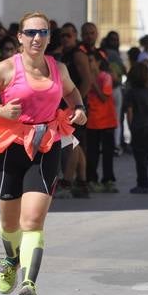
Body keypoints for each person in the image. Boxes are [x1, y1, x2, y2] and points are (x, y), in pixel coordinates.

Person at [0, 11, 87, 295]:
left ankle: (28, 285)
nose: (37, 38)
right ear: (19, 37)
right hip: (10, 147)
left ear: (49, 37)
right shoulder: (7, 68)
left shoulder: (58, 68)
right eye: (31, 32)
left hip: (46, 143)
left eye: (43, 32)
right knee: (10, 222)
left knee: (32, 221)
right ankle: (10, 258)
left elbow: (72, 93)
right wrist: (1, 111)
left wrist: (80, 108)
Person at [59, 22, 92, 198]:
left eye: (68, 35)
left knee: (71, 143)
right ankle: (82, 181)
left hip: (75, 108)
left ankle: (68, 182)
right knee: (75, 144)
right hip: (69, 107)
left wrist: (77, 105)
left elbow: (87, 80)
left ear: (75, 35)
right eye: (62, 36)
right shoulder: (65, 55)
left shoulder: (78, 55)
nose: (65, 39)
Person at [85, 51, 118, 193]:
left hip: (107, 121)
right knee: (92, 153)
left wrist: (92, 82)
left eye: (91, 60)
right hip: (92, 121)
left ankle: (108, 180)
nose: (89, 63)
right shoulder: (85, 77)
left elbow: (104, 97)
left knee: (107, 153)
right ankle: (91, 179)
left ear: (98, 62)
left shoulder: (106, 77)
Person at [124, 63, 148, 194]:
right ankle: (144, 182)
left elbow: (130, 112)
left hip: (138, 127)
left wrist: (131, 128)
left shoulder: (131, 93)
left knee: (139, 158)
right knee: (146, 158)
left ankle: (143, 184)